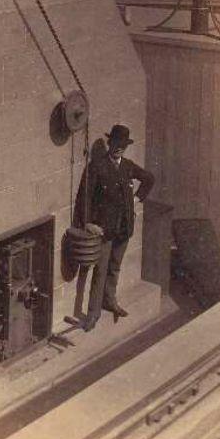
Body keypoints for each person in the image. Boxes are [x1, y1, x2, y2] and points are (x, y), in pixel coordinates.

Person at [73, 124, 154, 318]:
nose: (119, 147)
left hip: (124, 229)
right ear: (110, 143)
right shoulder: (97, 167)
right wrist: (87, 223)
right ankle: (93, 313)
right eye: (116, 143)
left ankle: (110, 301)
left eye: (123, 145)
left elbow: (149, 179)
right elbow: (83, 198)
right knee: (100, 271)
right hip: (104, 231)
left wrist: (135, 200)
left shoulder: (127, 166)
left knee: (115, 267)